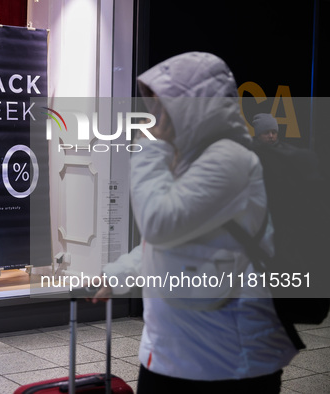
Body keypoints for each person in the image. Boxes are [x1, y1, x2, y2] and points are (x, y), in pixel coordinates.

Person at [94, 52, 296, 393]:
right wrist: (117, 275)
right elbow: (167, 244)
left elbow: (159, 222)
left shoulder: (230, 159)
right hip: (174, 353)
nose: (155, 116)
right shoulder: (187, 159)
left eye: (164, 105)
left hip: (225, 363)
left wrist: (150, 145)